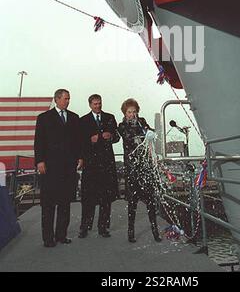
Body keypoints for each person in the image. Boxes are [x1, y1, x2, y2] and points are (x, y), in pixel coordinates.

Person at [34, 89, 82, 247]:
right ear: (57, 99)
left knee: (65, 203)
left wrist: (80, 157)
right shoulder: (44, 118)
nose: (68, 101)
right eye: (65, 99)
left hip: (68, 168)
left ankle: (61, 235)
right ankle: (48, 239)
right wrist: (39, 161)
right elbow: (39, 141)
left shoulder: (74, 118)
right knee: (48, 205)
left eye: (69, 98)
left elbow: (77, 141)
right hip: (50, 168)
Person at [118, 98, 162, 243]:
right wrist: (143, 136)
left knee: (150, 200)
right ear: (125, 113)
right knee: (133, 202)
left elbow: (151, 133)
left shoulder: (142, 122)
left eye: (134, 112)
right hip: (132, 168)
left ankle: (155, 231)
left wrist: (150, 133)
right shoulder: (122, 125)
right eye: (129, 112)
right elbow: (129, 138)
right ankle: (131, 232)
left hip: (145, 165)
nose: (132, 114)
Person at [78, 94, 119, 238]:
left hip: (106, 164)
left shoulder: (110, 117)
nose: (98, 106)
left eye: (99, 103)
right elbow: (80, 141)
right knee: (88, 198)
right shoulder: (83, 121)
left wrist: (111, 136)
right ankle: (84, 227)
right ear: (90, 105)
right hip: (91, 164)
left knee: (106, 198)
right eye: (95, 104)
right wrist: (90, 140)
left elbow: (117, 136)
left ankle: (103, 227)